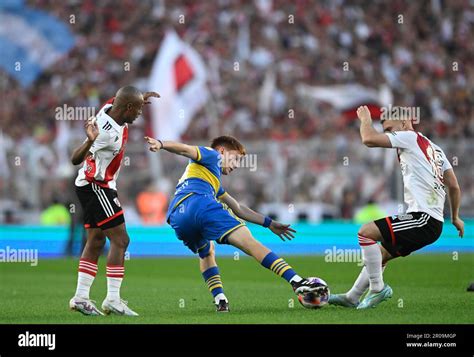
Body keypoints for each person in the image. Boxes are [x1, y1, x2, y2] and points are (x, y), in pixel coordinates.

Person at [144, 135, 327, 312]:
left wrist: (268, 223)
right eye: (236, 159)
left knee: (207, 252)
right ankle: (297, 281)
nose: (236, 165)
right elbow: (185, 149)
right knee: (249, 242)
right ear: (222, 151)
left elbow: (238, 208)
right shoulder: (212, 155)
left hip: (178, 215)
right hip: (200, 203)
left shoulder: (210, 180)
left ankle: (220, 300)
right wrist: (161, 143)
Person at [329, 106, 464, 309]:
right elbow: (453, 185)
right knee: (381, 254)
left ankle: (377, 289)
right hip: (431, 221)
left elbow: (368, 139)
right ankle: (353, 296)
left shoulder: (409, 137)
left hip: (423, 219)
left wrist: (365, 119)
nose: (389, 135)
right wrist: (455, 217)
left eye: (391, 129)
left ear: (404, 123)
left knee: (365, 233)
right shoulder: (435, 149)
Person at [69, 86, 159, 316]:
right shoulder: (106, 133)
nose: (140, 113)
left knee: (97, 240)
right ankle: (113, 299)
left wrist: (141, 97)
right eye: (138, 109)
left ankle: (81, 297)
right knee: (121, 240)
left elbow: (119, 98)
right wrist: (90, 141)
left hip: (91, 185)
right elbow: (75, 158)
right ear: (127, 108)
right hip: (96, 185)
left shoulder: (111, 107)